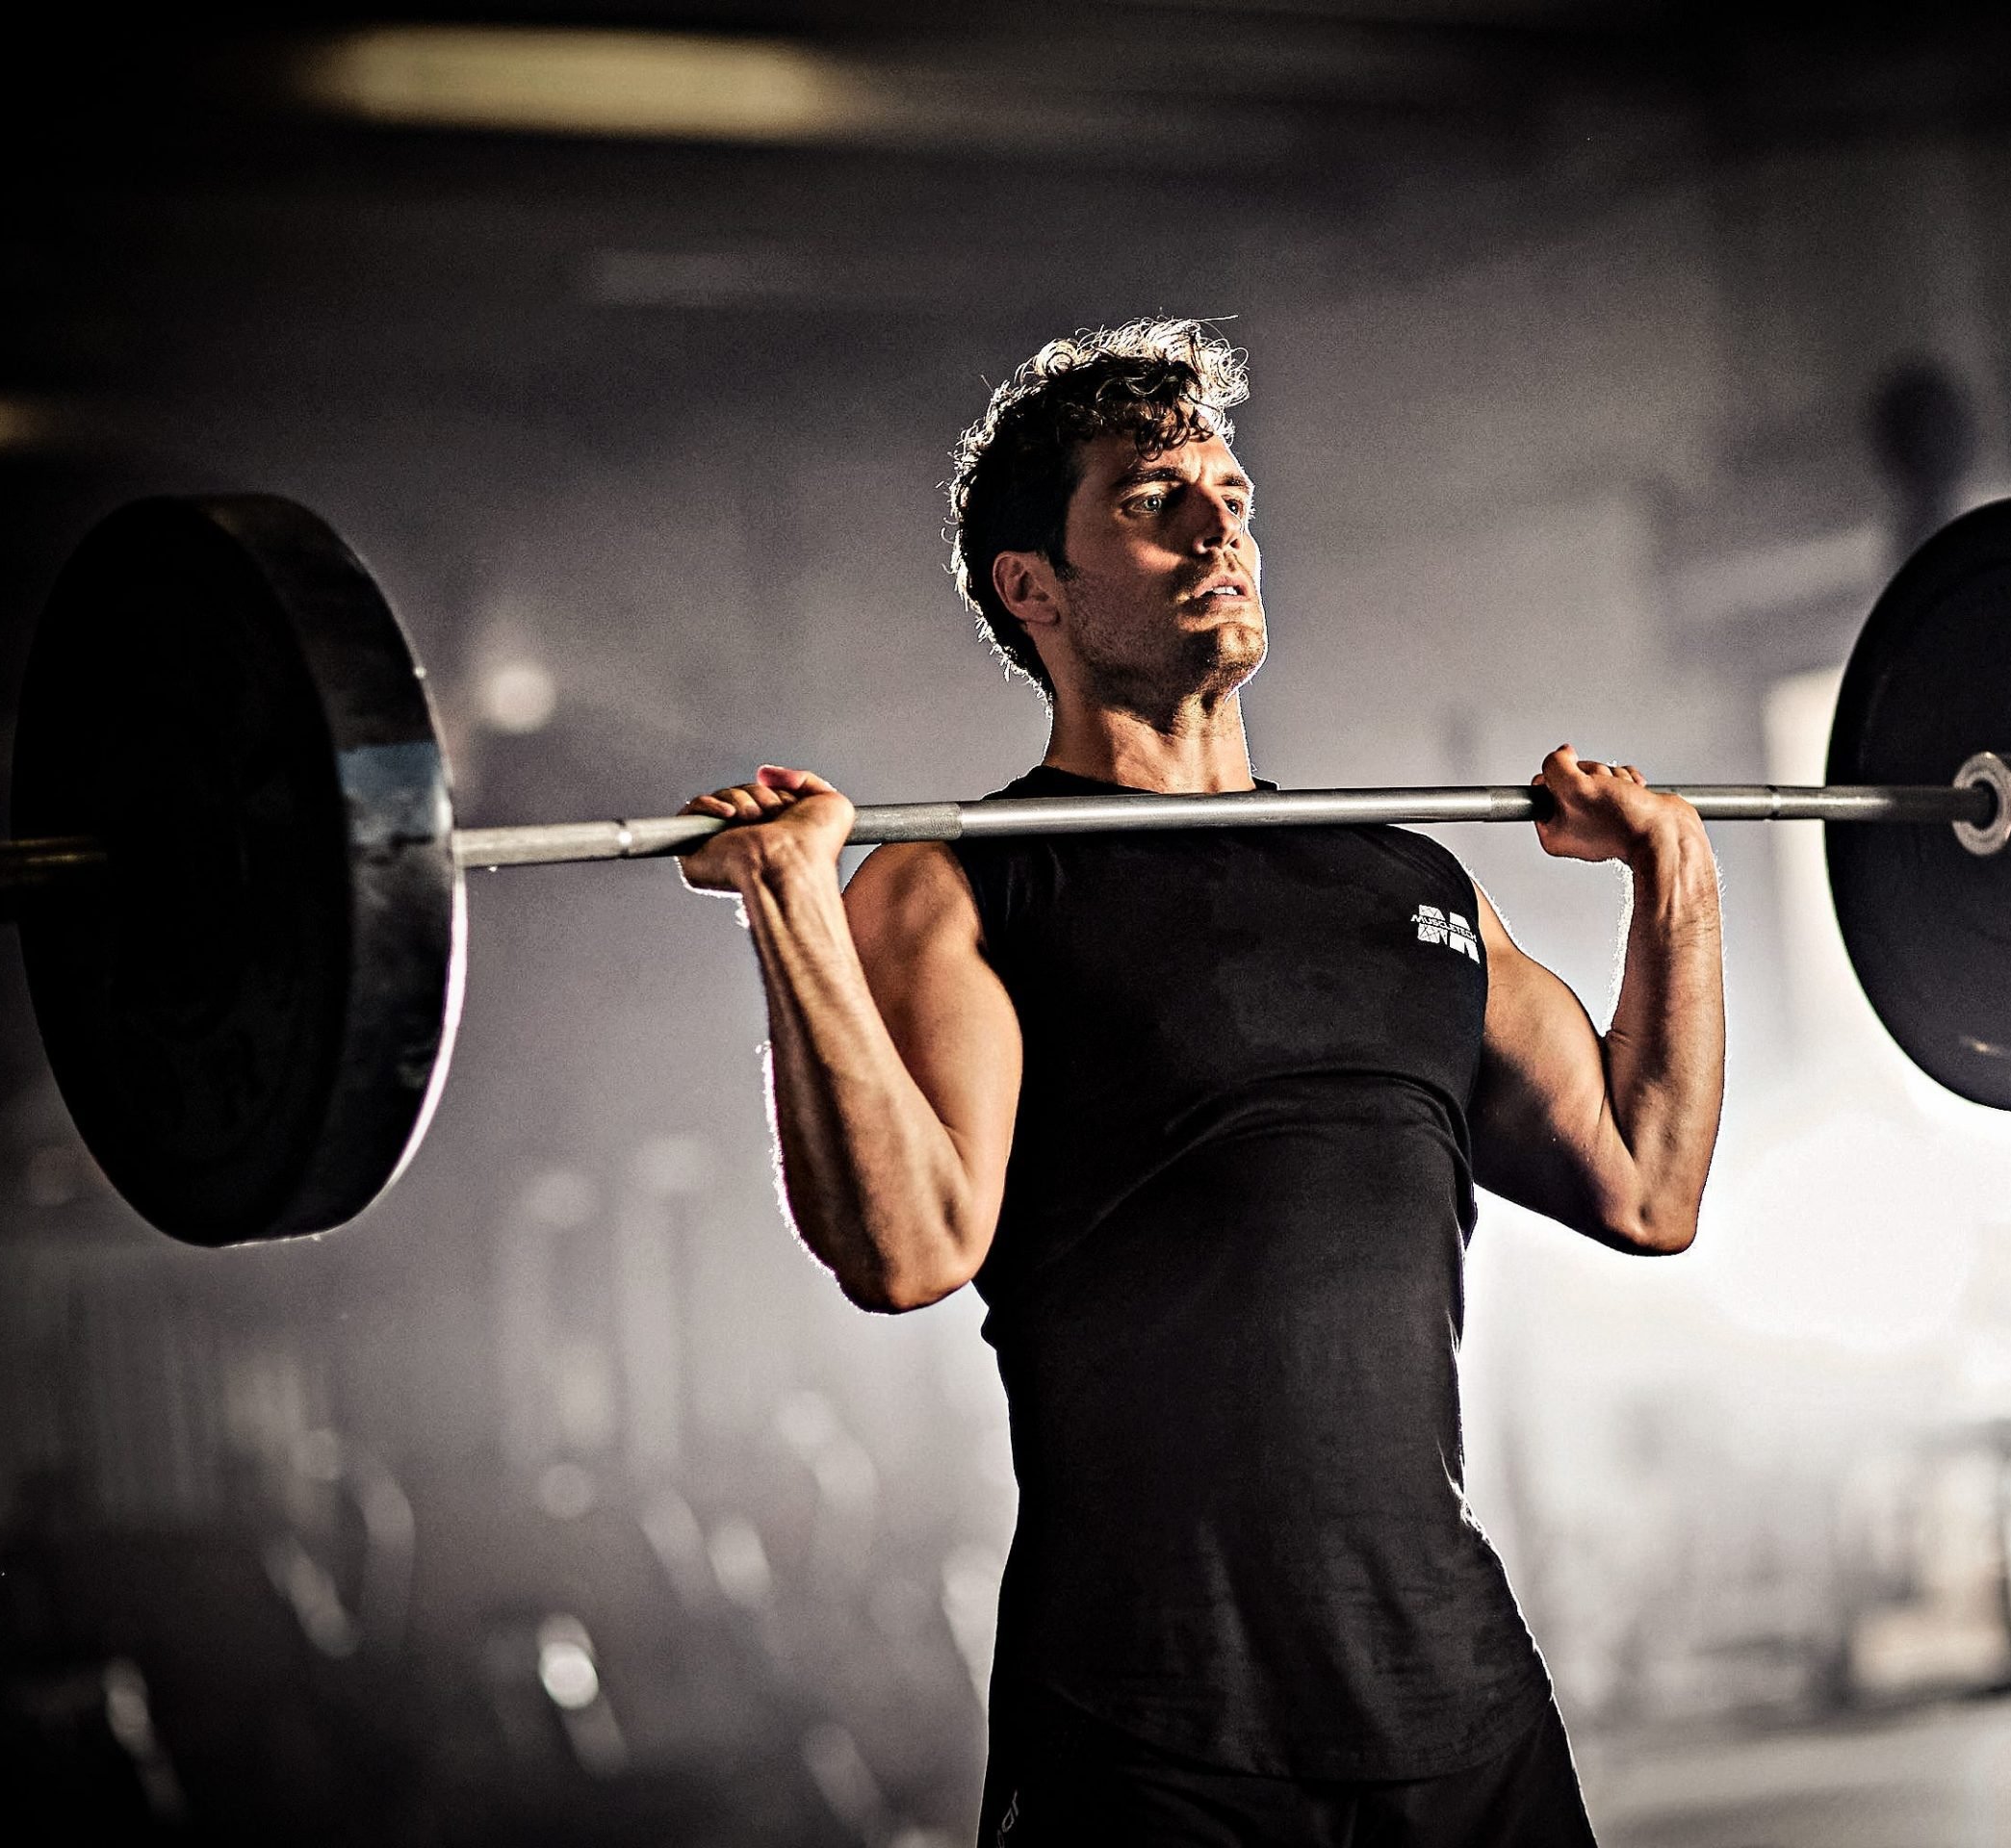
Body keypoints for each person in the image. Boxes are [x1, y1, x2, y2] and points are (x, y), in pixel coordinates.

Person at [677, 319, 1724, 1845]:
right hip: (1155, 1736)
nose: (1219, 522)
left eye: (1228, 490)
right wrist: (793, 903)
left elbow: (1651, 1187)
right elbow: (907, 1250)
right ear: (1032, 587)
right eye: (1150, 498)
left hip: (1457, 1702)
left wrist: (1672, 876)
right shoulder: (967, 886)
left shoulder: (1404, 877)